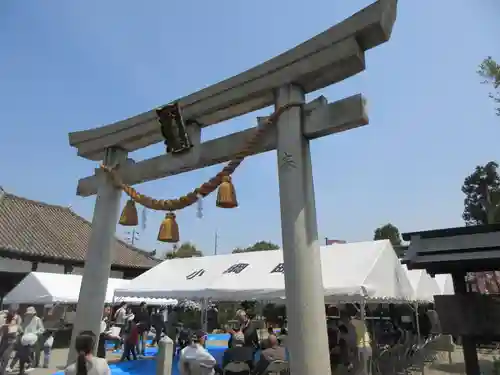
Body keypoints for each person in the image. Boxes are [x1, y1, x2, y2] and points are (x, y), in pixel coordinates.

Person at [9, 306, 44, 374]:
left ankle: (31, 365)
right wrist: (20, 331)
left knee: (29, 353)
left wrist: (35, 333)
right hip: (24, 338)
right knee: (22, 353)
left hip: (33, 339)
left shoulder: (37, 319)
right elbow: (22, 327)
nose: (29, 314)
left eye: (30, 313)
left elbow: (41, 329)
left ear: (33, 313)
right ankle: (22, 369)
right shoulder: (25, 319)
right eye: (28, 313)